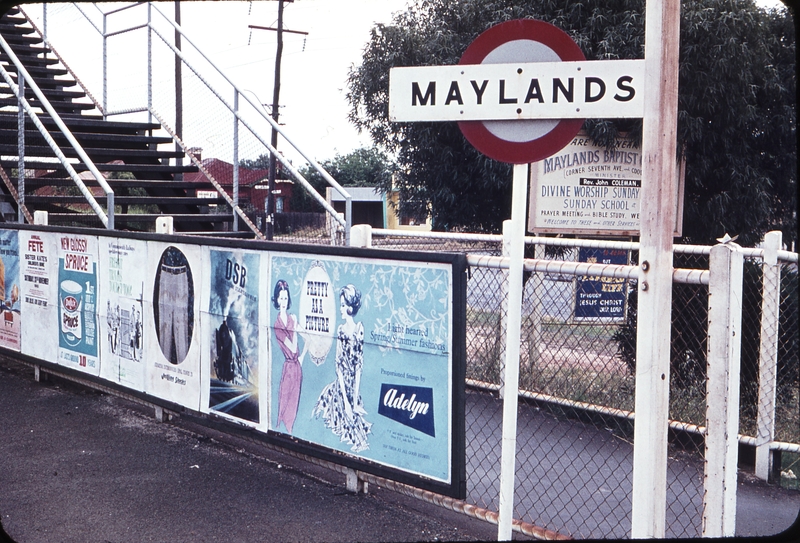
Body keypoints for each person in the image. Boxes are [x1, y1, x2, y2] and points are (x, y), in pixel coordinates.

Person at [312, 284, 371, 453]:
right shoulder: (341, 330)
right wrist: (346, 402)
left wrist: (354, 400)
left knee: (358, 431)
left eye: (344, 305)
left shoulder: (359, 329)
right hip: (341, 388)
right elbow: (338, 365)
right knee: (348, 428)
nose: (341, 309)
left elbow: (359, 365)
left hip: (352, 387)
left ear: (352, 307)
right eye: (341, 305)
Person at [273, 280, 306, 433]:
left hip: (297, 368)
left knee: (294, 404)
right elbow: (292, 346)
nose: (283, 302)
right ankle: (283, 431)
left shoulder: (292, 319)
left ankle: (291, 432)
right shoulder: (277, 324)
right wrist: (294, 326)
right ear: (276, 299)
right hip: (288, 369)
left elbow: (308, 338)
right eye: (281, 298)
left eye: (286, 298)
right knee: (284, 402)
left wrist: (302, 357)